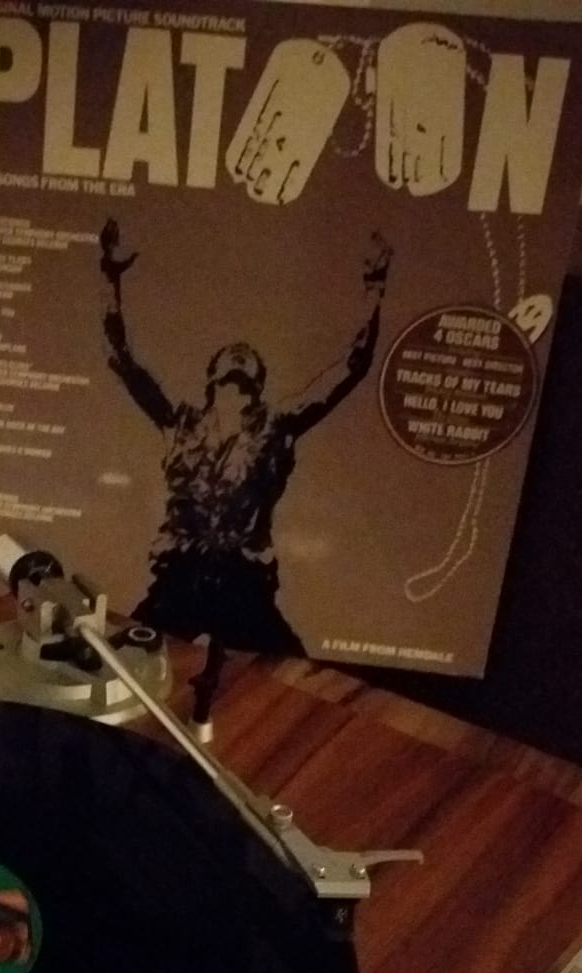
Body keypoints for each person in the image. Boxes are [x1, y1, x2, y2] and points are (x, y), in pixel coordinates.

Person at [99, 218, 392, 655]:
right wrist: (109, 276)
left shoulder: (278, 424)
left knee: (292, 675)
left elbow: (352, 366)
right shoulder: (179, 423)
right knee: (122, 661)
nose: (239, 353)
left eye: (247, 356)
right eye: (230, 355)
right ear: (212, 377)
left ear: (257, 381)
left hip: (244, 580)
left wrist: (374, 286)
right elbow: (121, 360)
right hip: (181, 576)